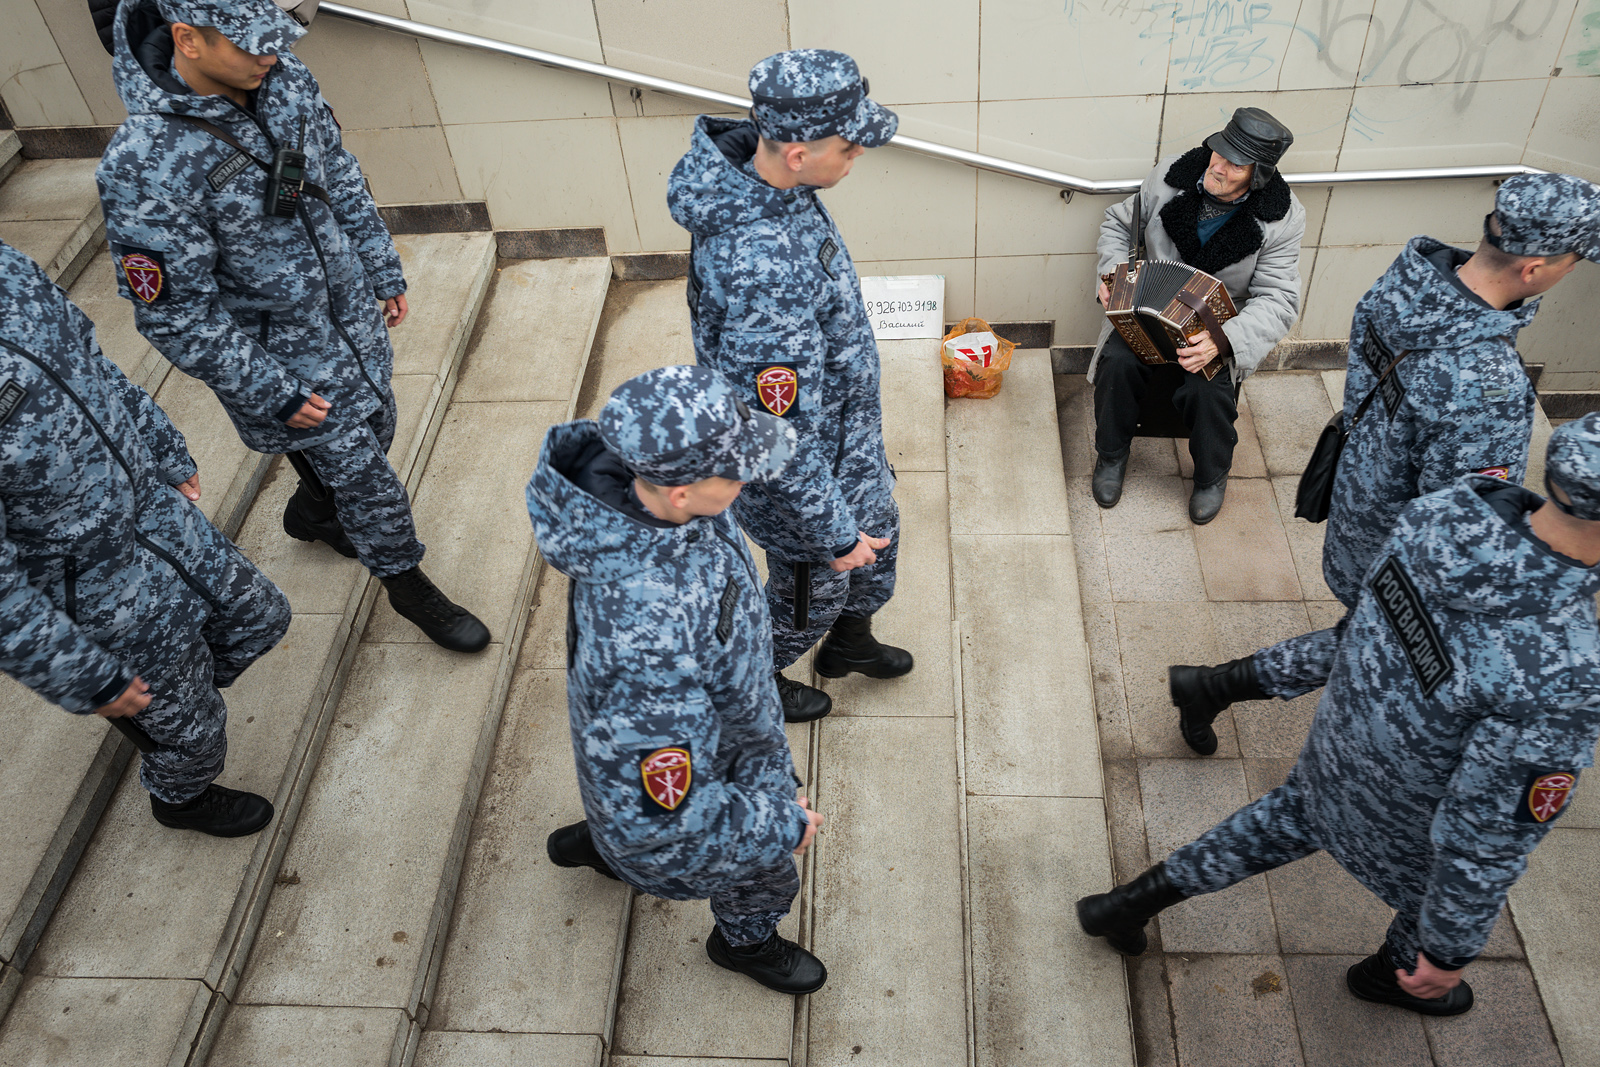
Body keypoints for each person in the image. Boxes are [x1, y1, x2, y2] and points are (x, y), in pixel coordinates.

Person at [1079, 414, 1600, 1016]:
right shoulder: (1567, 670)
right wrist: (1447, 951)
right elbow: (1487, 833)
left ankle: (1124, 906)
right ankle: (1395, 973)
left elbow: (1365, 628)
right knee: (1432, 895)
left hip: (1338, 748)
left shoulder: (1448, 513)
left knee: (1267, 828)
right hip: (1410, 813)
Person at [95, 0, 488, 653]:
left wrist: (380, 265)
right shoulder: (143, 164)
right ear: (188, 39)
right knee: (366, 477)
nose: (270, 54)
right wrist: (270, 390)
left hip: (349, 319)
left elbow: (338, 172)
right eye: (250, 44)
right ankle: (407, 583)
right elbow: (174, 313)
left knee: (379, 425)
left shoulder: (285, 80)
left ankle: (312, 510)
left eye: (275, 39)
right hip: (278, 361)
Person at [1170, 173, 1599, 755]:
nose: (1572, 270)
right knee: (1378, 647)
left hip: (1355, 502)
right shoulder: (1488, 389)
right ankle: (1217, 690)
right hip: (1402, 553)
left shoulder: (1409, 281)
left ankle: (1211, 688)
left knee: (1361, 636)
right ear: (1534, 269)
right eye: (1574, 259)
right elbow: (1463, 530)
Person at [530, 364, 828, 995]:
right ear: (683, 493)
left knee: (629, 802)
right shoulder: (643, 638)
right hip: (713, 763)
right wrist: (780, 824)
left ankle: (602, 844)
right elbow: (665, 819)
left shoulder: (659, 497)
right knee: (764, 872)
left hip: (719, 724)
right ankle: (744, 941)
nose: (748, 479)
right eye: (736, 472)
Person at [0, 238, 290, 836]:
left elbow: (92, 366)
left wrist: (160, 443)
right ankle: (180, 797)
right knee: (195, 734)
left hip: (155, 513)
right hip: (90, 588)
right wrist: (82, 674)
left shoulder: (6, 267)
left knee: (262, 617)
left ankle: (174, 694)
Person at [668, 49, 912, 726]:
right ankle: (752, 685)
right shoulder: (761, 271)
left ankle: (852, 645)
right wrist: (832, 534)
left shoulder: (781, 185)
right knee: (807, 601)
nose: (857, 156)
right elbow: (774, 436)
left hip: (845, 445)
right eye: (849, 146)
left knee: (881, 547)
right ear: (799, 153)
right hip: (803, 490)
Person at [1091, 107, 1305, 524]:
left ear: (1257, 176)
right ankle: (1111, 454)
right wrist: (1112, 274)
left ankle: (1211, 475)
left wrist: (1224, 341)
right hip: (1149, 306)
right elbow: (1119, 224)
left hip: (1217, 324)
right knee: (1117, 361)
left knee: (1207, 390)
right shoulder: (1170, 175)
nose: (1218, 168)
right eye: (1218, 154)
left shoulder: (1284, 219)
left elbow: (1279, 299)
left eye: (1235, 165)